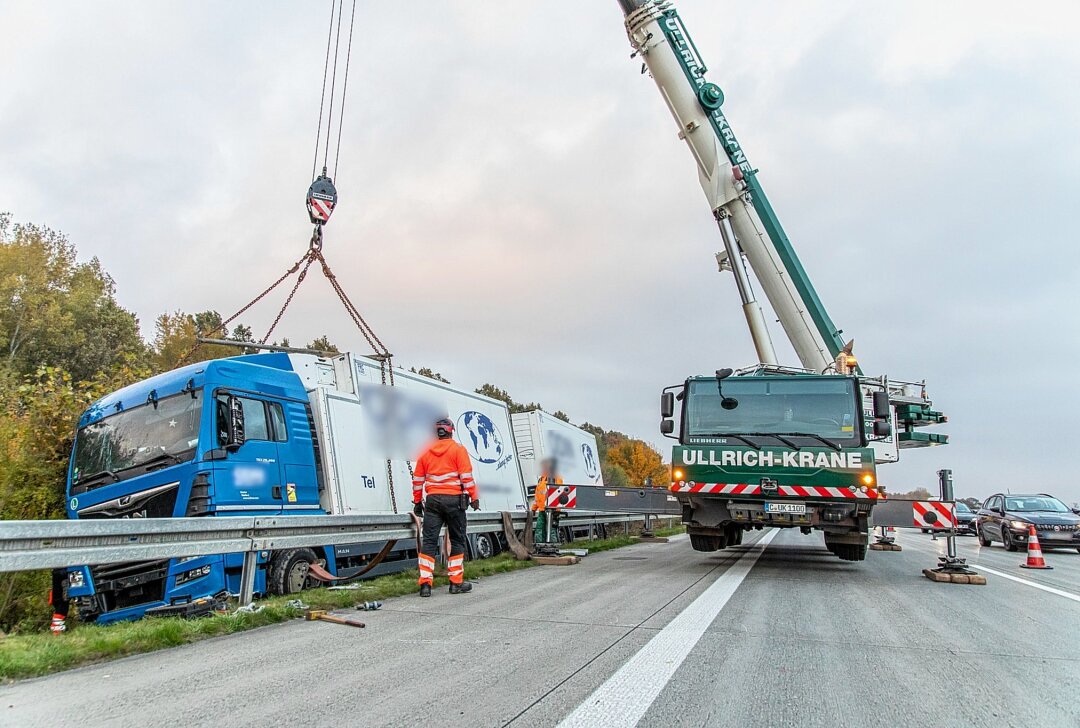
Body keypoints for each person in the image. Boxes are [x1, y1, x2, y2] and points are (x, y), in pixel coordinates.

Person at [412, 417, 479, 597]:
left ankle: (425, 585)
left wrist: (418, 502)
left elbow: (418, 480)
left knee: (429, 541)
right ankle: (455, 583)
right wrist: (474, 497)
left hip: (433, 501)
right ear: (451, 431)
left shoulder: (425, 452)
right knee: (457, 540)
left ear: (437, 432)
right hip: (454, 500)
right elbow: (466, 476)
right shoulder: (458, 450)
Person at [49, 568, 70, 635]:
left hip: (60, 571)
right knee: (61, 603)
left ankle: (57, 630)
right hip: (63, 573)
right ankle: (57, 631)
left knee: (60, 603)